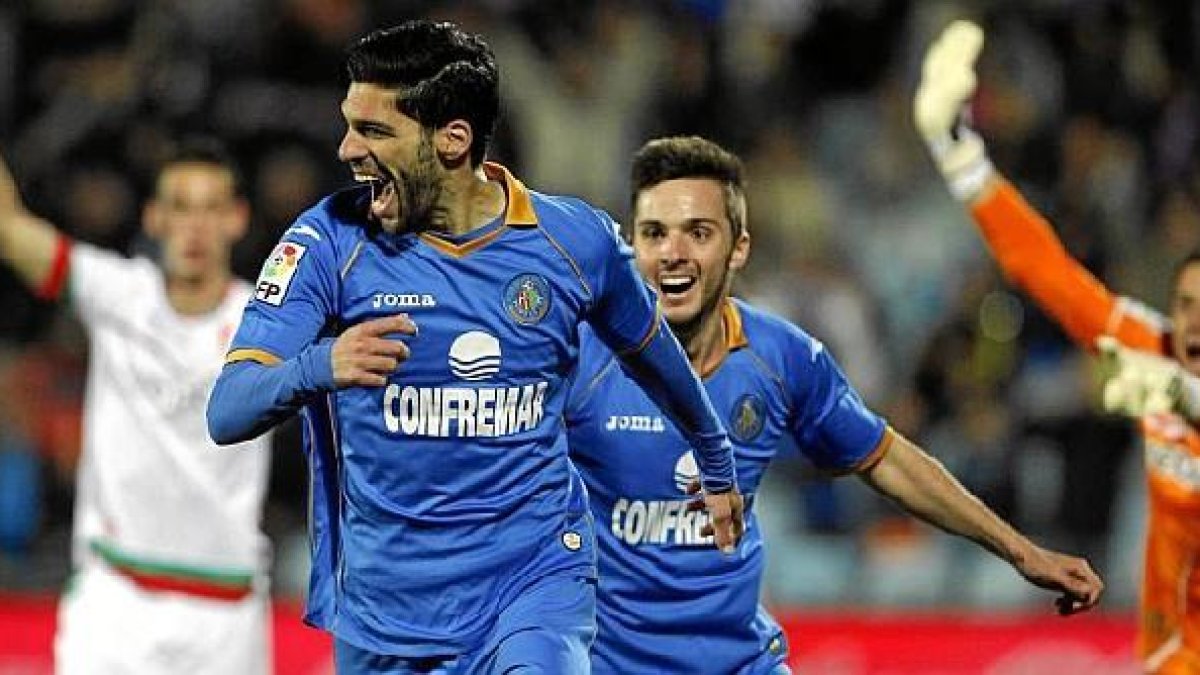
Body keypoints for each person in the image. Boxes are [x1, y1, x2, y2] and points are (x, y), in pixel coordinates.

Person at [205, 20, 745, 674]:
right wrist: (321, 364)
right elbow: (228, 410)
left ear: (452, 140)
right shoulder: (328, 243)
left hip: (533, 581)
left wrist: (716, 459)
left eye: (373, 130)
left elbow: (654, 357)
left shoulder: (573, 243)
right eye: (349, 124)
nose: (346, 149)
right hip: (386, 608)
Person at [564, 135, 1105, 674]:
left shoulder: (781, 357)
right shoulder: (577, 358)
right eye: (654, 233)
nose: (673, 254)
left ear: (739, 248)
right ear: (631, 247)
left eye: (699, 232)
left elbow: (886, 459)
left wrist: (1021, 551)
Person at [915, 20, 1200, 674]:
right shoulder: (1153, 347)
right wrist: (961, 157)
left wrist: (1163, 391)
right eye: (1186, 304)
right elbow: (1045, 269)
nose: (1193, 322)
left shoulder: (1161, 375)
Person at [0, 139, 273, 674]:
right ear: (154, 217)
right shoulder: (116, 294)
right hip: (114, 602)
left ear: (237, 219)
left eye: (211, 208)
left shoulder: (269, 323)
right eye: (180, 207)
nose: (195, 227)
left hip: (226, 616)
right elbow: (9, 228)